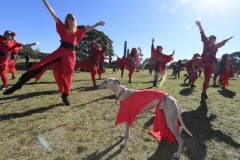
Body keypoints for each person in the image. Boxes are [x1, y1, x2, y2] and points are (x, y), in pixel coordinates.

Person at [4, 0, 104, 106]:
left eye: (72, 18)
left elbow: (88, 29)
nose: (70, 19)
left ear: (75, 20)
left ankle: (65, 96)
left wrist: (97, 24)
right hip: (60, 50)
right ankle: (19, 83)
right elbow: (53, 13)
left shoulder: (78, 32)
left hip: (71, 54)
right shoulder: (62, 27)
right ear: (66, 20)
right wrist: (45, 1)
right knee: (41, 64)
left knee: (68, 75)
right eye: (68, 17)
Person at [185, 21, 233, 99]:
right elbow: (202, 33)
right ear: (209, 39)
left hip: (209, 64)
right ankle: (186, 63)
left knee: (207, 79)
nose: (212, 39)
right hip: (202, 59)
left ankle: (204, 92)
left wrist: (229, 38)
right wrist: (199, 26)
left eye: (213, 38)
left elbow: (223, 41)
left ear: (215, 40)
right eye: (211, 38)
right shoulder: (206, 41)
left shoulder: (217, 46)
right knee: (197, 59)